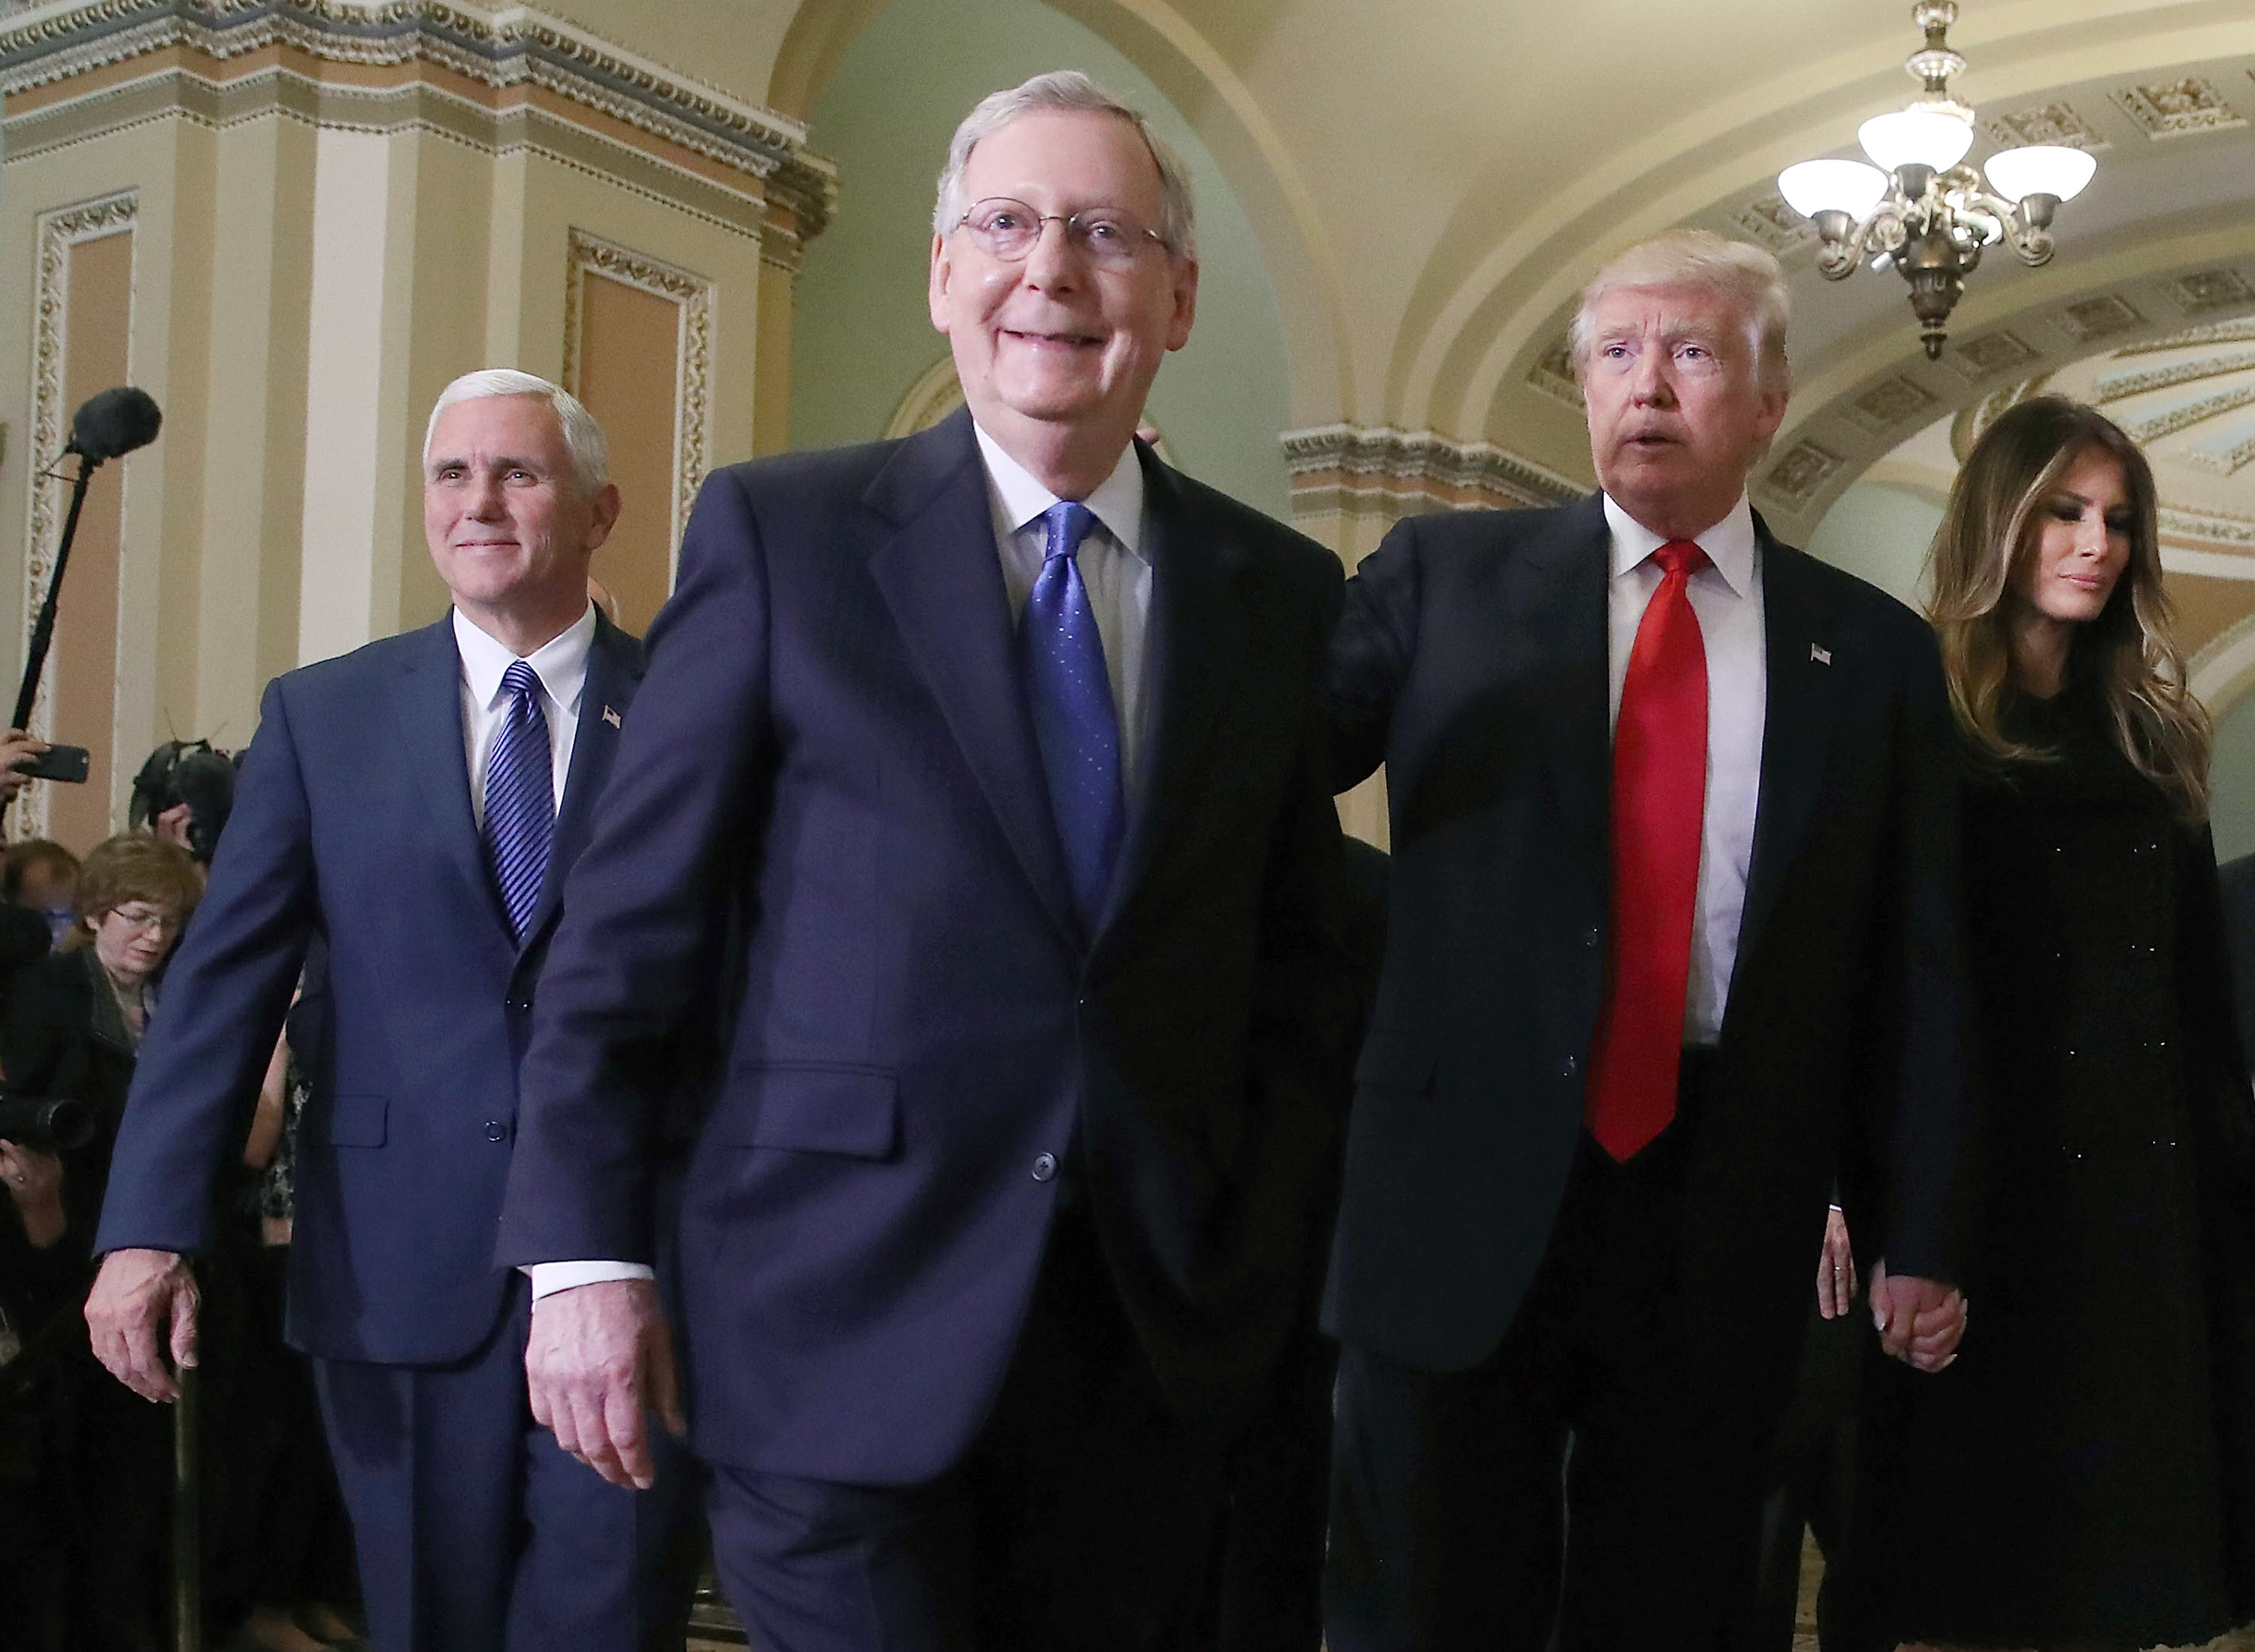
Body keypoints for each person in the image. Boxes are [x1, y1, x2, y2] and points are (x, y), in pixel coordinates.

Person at [495, 69, 1351, 1652]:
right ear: (945, 271)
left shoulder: (1281, 592)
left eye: (1107, 231)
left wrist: (1263, 1244)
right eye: (1009, 225)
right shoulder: (783, 536)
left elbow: (1295, 963)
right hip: (828, 1327)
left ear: (1176, 296)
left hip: (1160, 1350)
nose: (1055, 270)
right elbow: (622, 931)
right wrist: (583, 1258)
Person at [1319, 228, 1973, 1650]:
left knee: (1674, 1599)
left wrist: (1918, 1221)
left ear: (1766, 396)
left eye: (1688, 352)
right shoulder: (1444, 578)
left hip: (1722, 1194)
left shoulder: (1868, 652)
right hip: (1454, 1183)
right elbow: (1254, 783)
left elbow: (1915, 964)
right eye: (1615, 352)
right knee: (1428, 1599)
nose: (1646, 385)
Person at [81, 370, 695, 1652]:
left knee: (610, 1621)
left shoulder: (697, 701)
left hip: (639, 1264)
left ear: (598, 508)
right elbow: (222, 985)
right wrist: (146, 1223)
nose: (479, 501)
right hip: (396, 1270)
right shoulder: (325, 715)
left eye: (518, 473)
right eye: (451, 475)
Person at [1838, 395, 2255, 1651]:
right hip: (1977, 1187)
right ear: (2001, 522)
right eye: (2067, 512)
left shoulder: (2150, 729)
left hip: (2144, 1196)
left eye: (2119, 520)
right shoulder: (1914, 709)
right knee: (1972, 1559)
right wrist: (1857, 1193)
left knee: (2127, 1561)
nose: (2097, 543)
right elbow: (1866, 981)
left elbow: (2197, 1002)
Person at [2, 832, 202, 1651]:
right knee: (70, 1482)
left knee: (134, 1480)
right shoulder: (46, 995)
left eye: (167, 920)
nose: (152, 936)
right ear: (93, 913)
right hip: (55, 1265)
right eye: (136, 916)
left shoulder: (174, 1000)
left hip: (145, 1251)